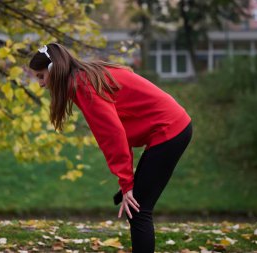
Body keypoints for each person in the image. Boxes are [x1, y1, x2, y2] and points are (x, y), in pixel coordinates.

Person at [29, 43, 192, 253]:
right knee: (137, 205)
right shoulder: (84, 77)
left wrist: (126, 184)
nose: (41, 84)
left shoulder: (84, 86)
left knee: (138, 210)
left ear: (54, 69)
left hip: (170, 130)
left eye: (41, 76)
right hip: (170, 128)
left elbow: (112, 136)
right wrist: (128, 182)